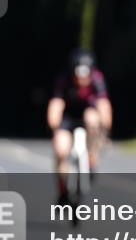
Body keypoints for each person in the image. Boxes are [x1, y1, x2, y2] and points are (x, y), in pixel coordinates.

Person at [46, 49, 112, 203]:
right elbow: (56, 104)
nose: (82, 80)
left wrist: (105, 130)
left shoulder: (97, 79)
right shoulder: (64, 80)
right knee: (61, 151)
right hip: (68, 117)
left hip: (87, 115)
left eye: (85, 75)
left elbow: (104, 105)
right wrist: (55, 129)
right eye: (78, 75)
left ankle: (91, 159)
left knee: (92, 118)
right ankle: (63, 189)